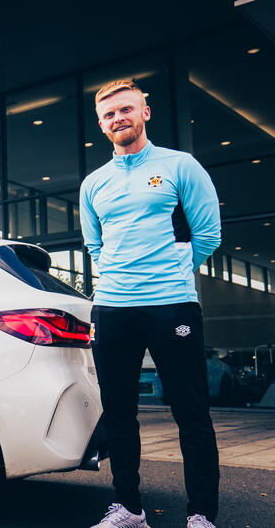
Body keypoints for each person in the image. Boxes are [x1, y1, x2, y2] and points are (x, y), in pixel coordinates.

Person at [80, 80, 221, 528]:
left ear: (145, 112)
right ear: (101, 125)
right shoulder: (93, 184)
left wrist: (171, 272)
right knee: (119, 415)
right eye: (109, 115)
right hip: (113, 308)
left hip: (172, 306)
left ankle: (201, 514)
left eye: (126, 110)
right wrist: (123, 279)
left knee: (191, 415)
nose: (118, 118)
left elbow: (208, 234)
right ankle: (129, 509)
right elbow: (94, 246)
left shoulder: (180, 166)